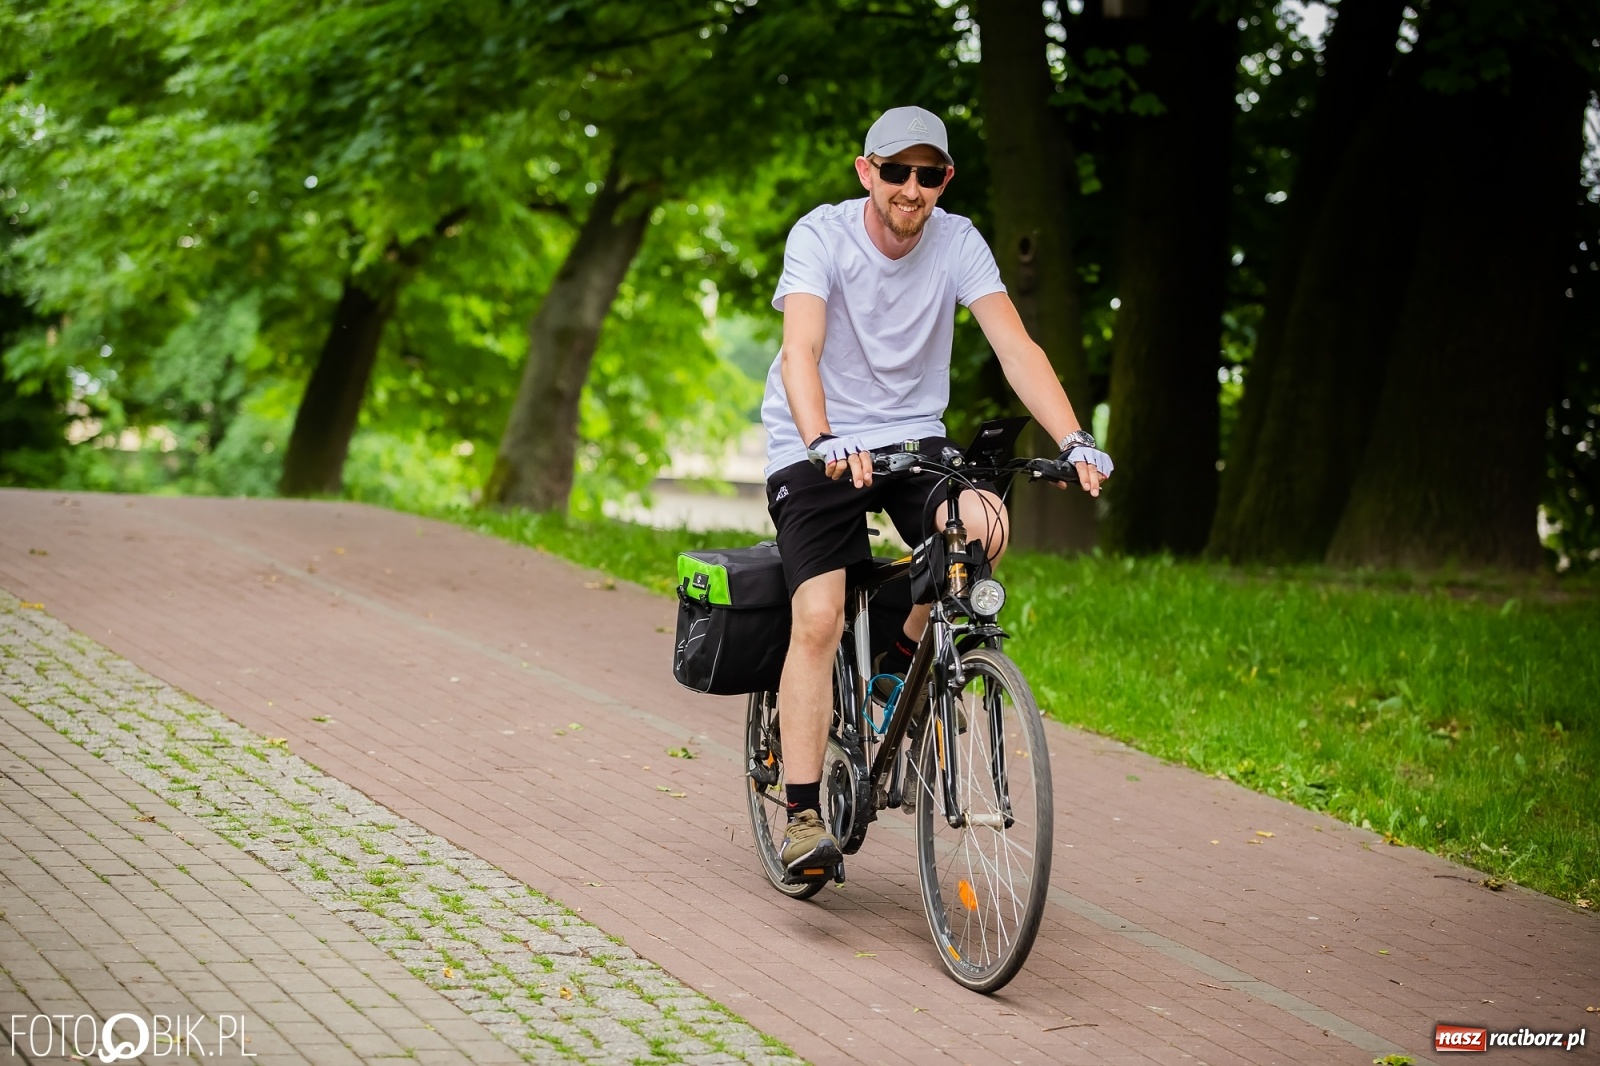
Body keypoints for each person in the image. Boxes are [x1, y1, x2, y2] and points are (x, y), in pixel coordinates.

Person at [761, 105, 1114, 875]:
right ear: (868, 172)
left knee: (985, 522)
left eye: (928, 174)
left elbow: (1016, 347)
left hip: (911, 437)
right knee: (817, 617)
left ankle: (897, 661)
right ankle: (802, 816)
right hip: (816, 443)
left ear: (944, 180)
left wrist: (1073, 439)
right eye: (896, 171)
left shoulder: (958, 241)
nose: (911, 188)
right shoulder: (821, 236)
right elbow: (800, 350)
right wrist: (821, 437)